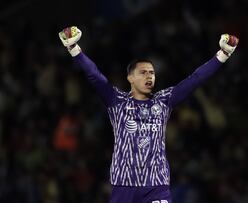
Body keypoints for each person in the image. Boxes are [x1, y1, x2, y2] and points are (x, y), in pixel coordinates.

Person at [59, 26, 238, 203]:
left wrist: (222, 55)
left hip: (156, 186)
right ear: (130, 78)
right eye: (143, 73)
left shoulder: (164, 101)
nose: (149, 76)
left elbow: (194, 80)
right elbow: (96, 77)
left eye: (152, 73)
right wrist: (75, 50)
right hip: (124, 185)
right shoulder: (117, 101)